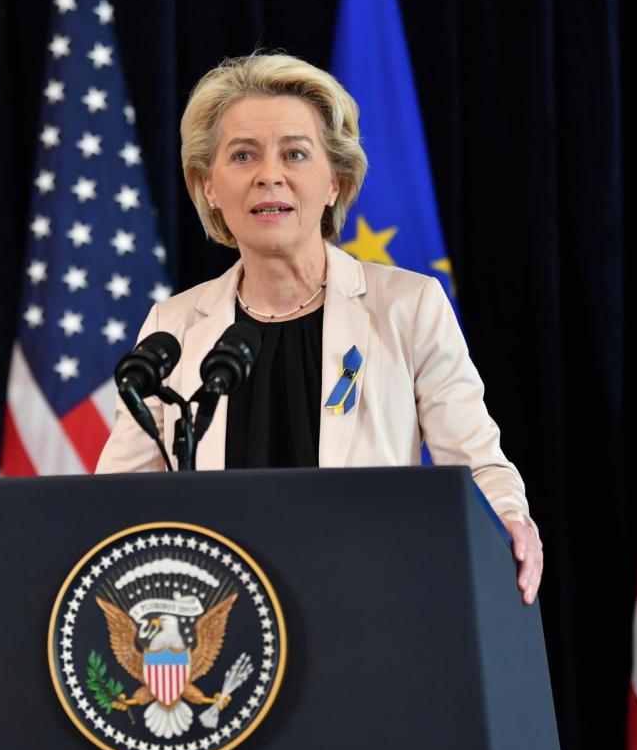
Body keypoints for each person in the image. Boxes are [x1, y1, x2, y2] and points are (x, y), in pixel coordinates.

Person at [96, 54, 542, 605]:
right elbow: (114, 502)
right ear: (209, 186)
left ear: (334, 181)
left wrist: (509, 524)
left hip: (367, 605)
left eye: (295, 154)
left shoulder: (408, 307)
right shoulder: (173, 326)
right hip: (221, 620)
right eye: (242, 155)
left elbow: (476, 465)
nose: (269, 175)